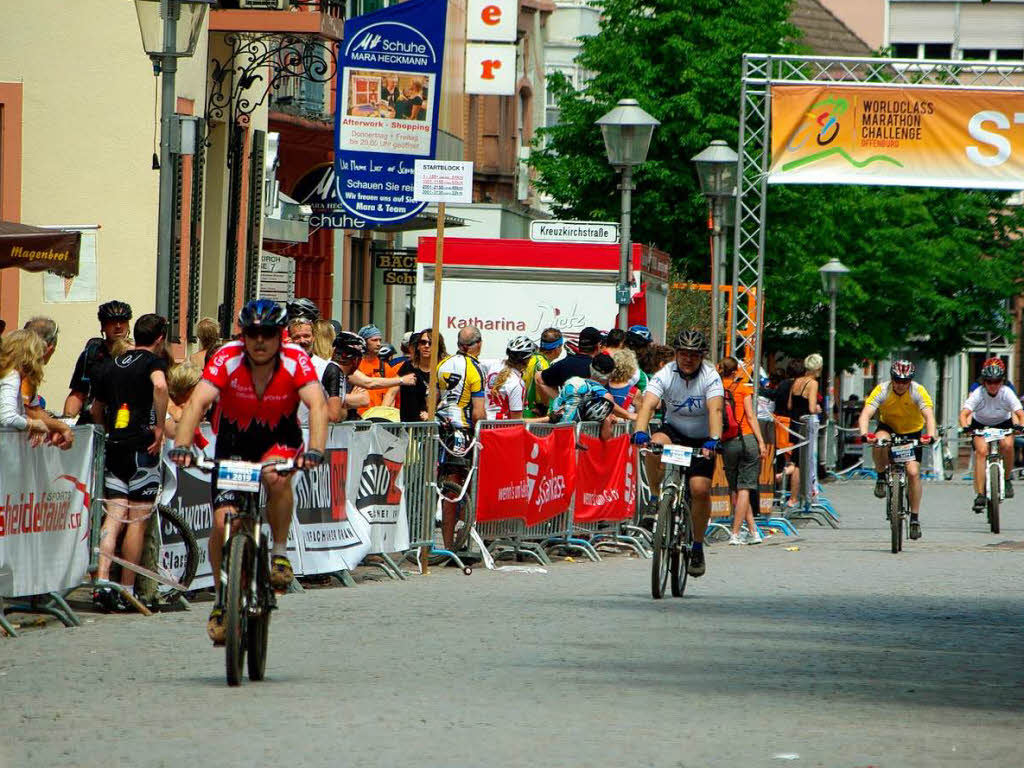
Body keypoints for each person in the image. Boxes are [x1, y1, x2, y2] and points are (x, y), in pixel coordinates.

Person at [169, 299, 328, 644]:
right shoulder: (227, 357)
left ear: (280, 335)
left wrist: (316, 449)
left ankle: (280, 554)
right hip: (234, 442)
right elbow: (197, 402)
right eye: (252, 333)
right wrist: (182, 444)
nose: (259, 341)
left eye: (268, 334)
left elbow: (317, 405)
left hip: (279, 439)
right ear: (242, 334)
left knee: (275, 476)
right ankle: (221, 599)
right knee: (221, 522)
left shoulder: (295, 360)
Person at [88, 314, 170, 611]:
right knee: (136, 520)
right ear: (160, 337)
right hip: (141, 447)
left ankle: (101, 582)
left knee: (113, 516)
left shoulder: (111, 364)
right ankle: (126, 589)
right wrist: (159, 426)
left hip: (115, 446)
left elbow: (96, 407)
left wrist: (106, 431)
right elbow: (160, 388)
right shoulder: (153, 363)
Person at [631, 329, 724, 578]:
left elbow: (715, 411)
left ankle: (696, 546)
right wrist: (640, 430)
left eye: (694, 355)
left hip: (703, 437)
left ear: (702, 356)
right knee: (653, 444)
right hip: (674, 431)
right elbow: (649, 403)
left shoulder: (711, 376)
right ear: (676, 354)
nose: (688, 359)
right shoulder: (665, 374)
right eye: (683, 353)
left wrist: (714, 440)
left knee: (700, 490)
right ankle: (654, 498)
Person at [858, 359, 936, 540]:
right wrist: (864, 433)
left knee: (913, 472)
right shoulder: (882, 390)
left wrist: (930, 435)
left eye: (905, 381)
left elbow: (929, 416)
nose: (901, 385)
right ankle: (880, 475)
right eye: (897, 380)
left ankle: (915, 518)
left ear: (910, 380)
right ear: (892, 379)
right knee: (878, 441)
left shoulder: (918, 391)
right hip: (889, 428)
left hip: (912, 433)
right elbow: (866, 413)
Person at [436, 326, 486, 549]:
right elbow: (478, 411)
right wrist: (482, 430)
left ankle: (447, 544)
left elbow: (434, 398)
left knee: (449, 487)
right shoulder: (476, 368)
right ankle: (459, 543)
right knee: (464, 485)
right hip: (463, 431)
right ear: (478, 344)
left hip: (442, 427)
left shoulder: (442, 364)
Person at [958, 357, 1024, 512]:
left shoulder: (1007, 392)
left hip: (1003, 422)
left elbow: (1019, 412)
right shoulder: (978, 392)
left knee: (1007, 445)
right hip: (981, 424)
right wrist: (966, 427)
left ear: (1002, 381)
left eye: (997, 382)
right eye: (989, 382)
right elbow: (964, 413)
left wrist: (1020, 426)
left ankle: (1007, 479)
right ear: (984, 382)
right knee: (981, 452)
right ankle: (980, 494)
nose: (993, 385)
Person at [717, 357, 769, 546]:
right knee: (745, 488)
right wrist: (761, 442)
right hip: (747, 439)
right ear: (736, 370)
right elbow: (750, 416)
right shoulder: (742, 388)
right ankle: (736, 533)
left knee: (736, 489)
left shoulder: (715, 388)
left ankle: (753, 531)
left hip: (728, 441)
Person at [64, 300, 133, 423]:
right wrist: (67, 421)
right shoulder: (91, 355)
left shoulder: (136, 354)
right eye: (112, 322)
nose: (118, 326)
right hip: (95, 420)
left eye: (122, 321)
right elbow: (78, 393)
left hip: (127, 422)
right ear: (103, 326)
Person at [0, 330, 62, 444]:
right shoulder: (12, 376)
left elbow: (17, 414)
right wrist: (33, 424)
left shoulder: (11, 375)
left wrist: (31, 425)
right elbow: (7, 418)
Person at [536, 326, 603, 403]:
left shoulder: (563, 363)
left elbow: (539, 378)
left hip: (570, 411)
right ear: (598, 346)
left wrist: (561, 402)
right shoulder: (602, 366)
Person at [398, 329, 445, 422]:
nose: (426, 346)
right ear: (418, 346)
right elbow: (392, 392)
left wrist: (433, 413)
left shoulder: (443, 369)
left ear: (438, 347)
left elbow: (447, 398)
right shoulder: (407, 367)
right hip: (409, 425)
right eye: (423, 342)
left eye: (431, 343)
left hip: (434, 426)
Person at [484, 336, 534, 420]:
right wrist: (547, 419)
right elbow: (517, 421)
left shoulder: (494, 365)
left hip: (483, 424)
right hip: (501, 429)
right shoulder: (517, 383)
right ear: (527, 360)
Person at [355, 324, 399, 415]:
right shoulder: (354, 365)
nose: (378, 344)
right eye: (374, 340)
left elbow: (392, 394)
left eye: (380, 340)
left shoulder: (385, 368)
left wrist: (381, 414)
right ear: (364, 342)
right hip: (357, 418)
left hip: (379, 418)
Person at [523, 327, 563, 417]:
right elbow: (541, 386)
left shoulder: (531, 358)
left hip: (525, 412)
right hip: (535, 414)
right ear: (557, 348)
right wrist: (544, 407)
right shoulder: (543, 364)